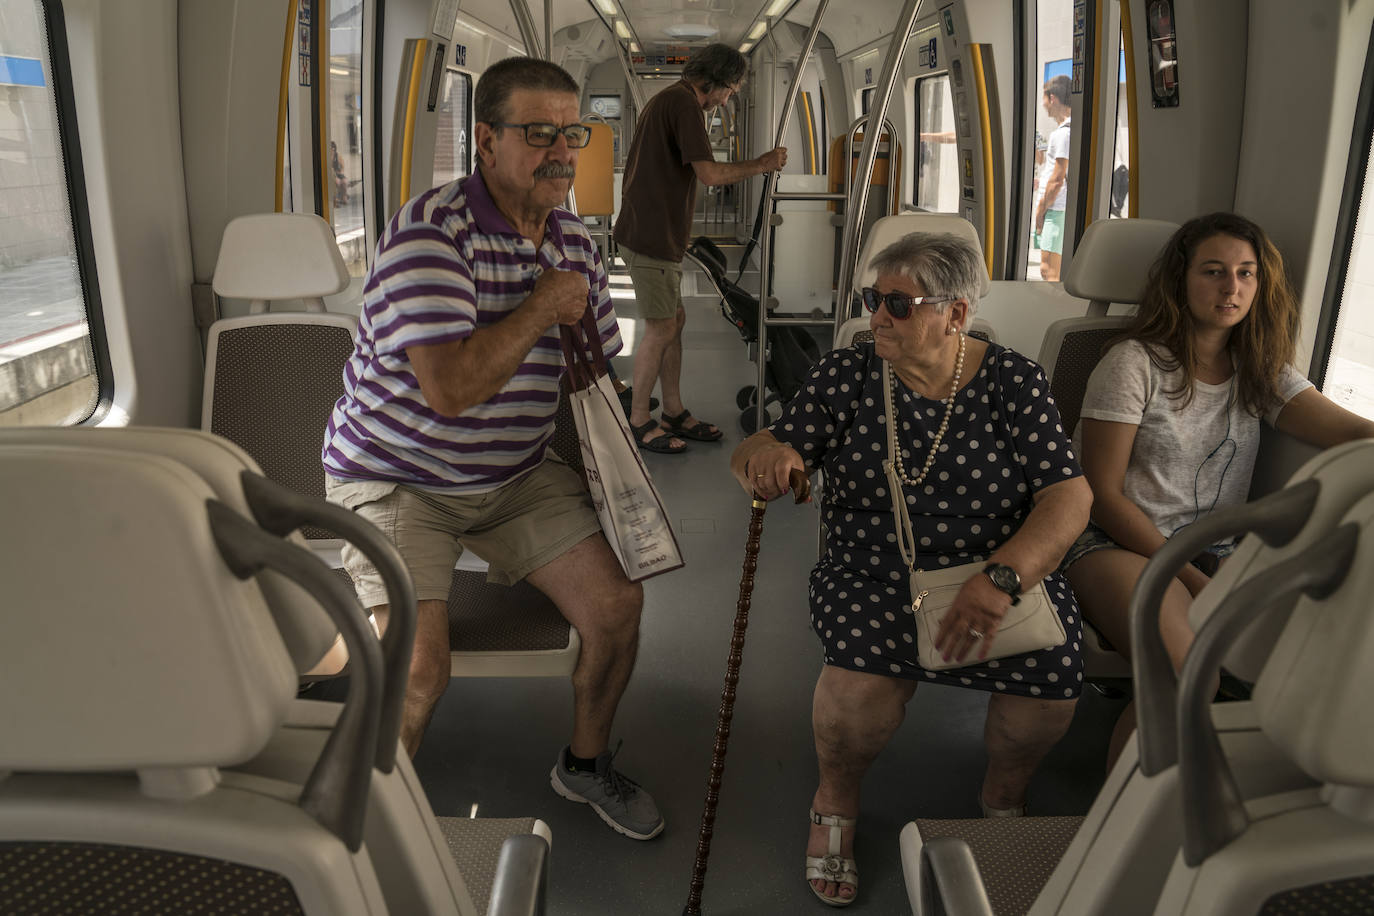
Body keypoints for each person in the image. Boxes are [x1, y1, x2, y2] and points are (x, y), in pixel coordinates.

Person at [322, 57, 663, 841]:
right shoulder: (429, 238)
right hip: (398, 478)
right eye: (538, 132)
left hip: (513, 477)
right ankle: (362, 837)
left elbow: (591, 383)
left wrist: (616, 497)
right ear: (484, 140)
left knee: (617, 607)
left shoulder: (574, 240)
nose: (562, 152)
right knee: (418, 669)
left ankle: (583, 766)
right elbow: (450, 390)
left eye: (572, 132)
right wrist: (543, 305)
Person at [730, 232, 1092, 906]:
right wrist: (768, 457)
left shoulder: (1013, 381)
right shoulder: (851, 374)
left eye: (898, 303)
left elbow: (1068, 497)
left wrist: (1004, 576)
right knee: (854, 689)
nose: (878, 317)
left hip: (994, 568)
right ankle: (834, 800)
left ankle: (1003, 796)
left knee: (1051, 682)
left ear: (955, 314)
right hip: (875, 571)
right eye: (874, 300)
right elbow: (767, 441)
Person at [1063, 212, 1374, 767]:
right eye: (1213, 271)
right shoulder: (1132, 364)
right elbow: (1104, 497)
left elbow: (1351, 432)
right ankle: (1108, 838)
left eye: (1246, 274)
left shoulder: (1258, 369)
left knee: (1329, 649)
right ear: (1180, 280)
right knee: (1186, 672)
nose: (1232, 288)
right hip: (1115, 543)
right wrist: (1189, 575)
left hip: (1216, 550)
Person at [615, 43, 787, 453]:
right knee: (660, 329)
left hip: (655, 233)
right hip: (651, 237)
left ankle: (673, 410)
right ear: (714, 82)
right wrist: (761, 164)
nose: (730, 98)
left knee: (674, 320)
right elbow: (709, 175)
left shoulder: (669, 101)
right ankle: (640, 421)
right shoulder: (684, 106)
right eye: (731, 89)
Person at [1033, 76, 1071, 282]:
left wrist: (1040, 212)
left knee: (1049, 272)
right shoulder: (1066, 131)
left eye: (1044, 98)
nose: (1043, 104)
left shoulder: (1063, 134)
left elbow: (1057, 179)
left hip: (1055, 209)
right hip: (1056, 209)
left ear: (1053, 98)